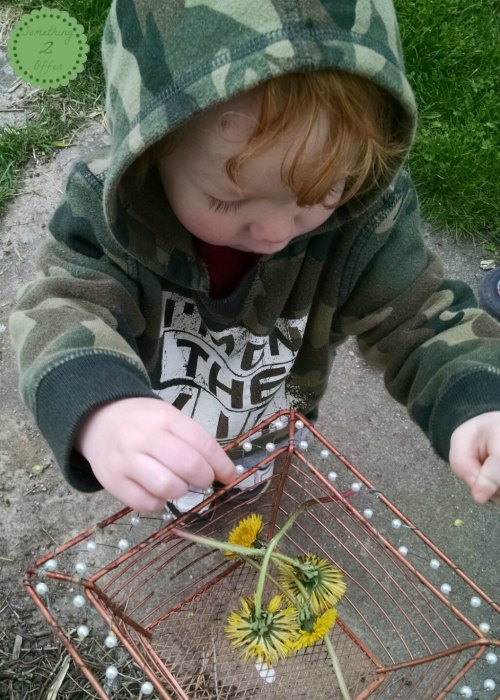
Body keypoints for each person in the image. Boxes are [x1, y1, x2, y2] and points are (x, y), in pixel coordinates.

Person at [9, 0, 500, 516]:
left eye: (322, 190)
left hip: (272, 425)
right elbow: (60, 305)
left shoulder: (366, 218)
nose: (274, 231)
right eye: (228, 199)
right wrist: (103, 410)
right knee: (180, 505)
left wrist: (478, 399)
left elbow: (421, 316)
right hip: (158, 436)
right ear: (151, 155)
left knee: (251, 493)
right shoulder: (109, 218)